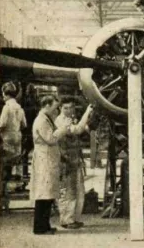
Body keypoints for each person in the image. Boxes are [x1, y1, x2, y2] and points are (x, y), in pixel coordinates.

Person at [31, 95, 92, 235]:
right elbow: (51, 139)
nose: (56, 109)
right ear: (46, 105)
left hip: (54, 160)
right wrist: (64, 129)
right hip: (48, 160)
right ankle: (42, 227)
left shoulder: (47, 119)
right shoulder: (43, 121)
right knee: (46, 194)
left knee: (48, 194)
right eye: (55, 106)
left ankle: (45, 225)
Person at [55, 97, 89, 229]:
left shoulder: (70, 119)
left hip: (74, 159)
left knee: (78, 190)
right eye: (65, 108)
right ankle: (66, 220)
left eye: (71, 107)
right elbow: (78, 130)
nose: (68, 110)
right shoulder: (60, 121)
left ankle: (73, 218)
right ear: (60, 108)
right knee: (68, 191)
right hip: (65, 160)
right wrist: (87, 112)